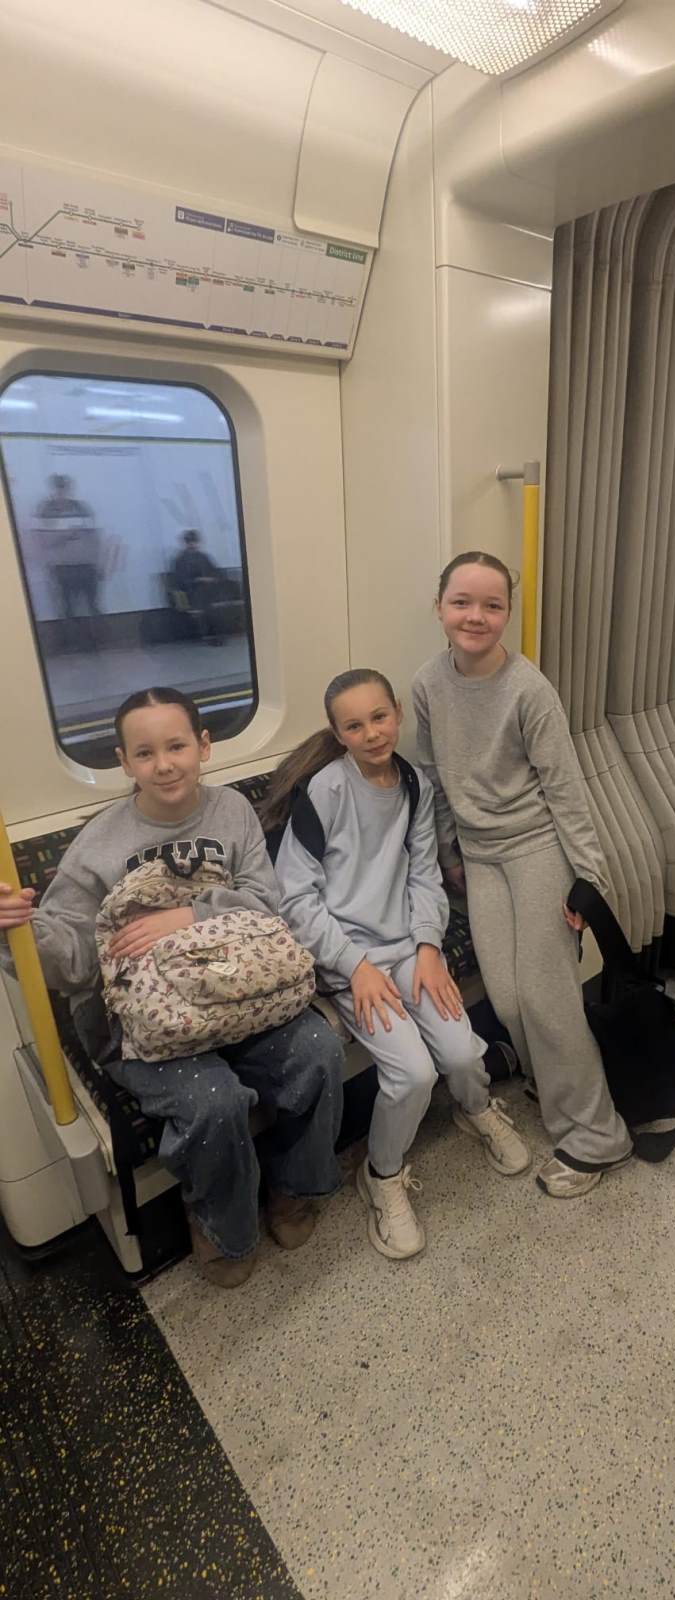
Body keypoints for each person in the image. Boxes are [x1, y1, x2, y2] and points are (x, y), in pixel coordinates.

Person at [0, 687, 343, 1288]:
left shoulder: (231, 811)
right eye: (145, 753)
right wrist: (19, 934)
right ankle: (223, 1226)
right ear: (124, 762)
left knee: (318, 1051)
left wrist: (189, 915)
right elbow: (73, 958)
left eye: (177, 746)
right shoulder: (100, 843)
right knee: (213, 1101)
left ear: (203, 747)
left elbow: (265, 902)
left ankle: (293, 1187)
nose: (164, 764)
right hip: (142, 1018)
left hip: (236, 991)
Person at [267, 669, 530, 1261]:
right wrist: (354, 965)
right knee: (412, 1073)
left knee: (462, 1052)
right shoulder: (324, 793)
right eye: (354, 725)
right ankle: (381, 1174)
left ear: (397, 714)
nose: (371, 733)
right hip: (349, 960)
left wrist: (429, 947)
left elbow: (423, 874)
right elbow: (296, 899)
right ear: (338, 733)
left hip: (409, 947)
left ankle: (476, 1109)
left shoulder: (413, 784)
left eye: (379, 717)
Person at [412, 551, 634, 1200]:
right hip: (479, 856)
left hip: (539, 848)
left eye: (492, 605)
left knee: (547, 998)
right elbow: (434, 778)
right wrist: (449, 856)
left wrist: (588, 878)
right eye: (462, 602)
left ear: (508, 613)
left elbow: (566, 789)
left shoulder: (529, 689)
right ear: (439, 607)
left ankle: (597, 1137)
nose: (475, 616)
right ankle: (553, 1083)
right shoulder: (427, 684)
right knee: (507, 1001)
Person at [33, 473, 103, 646]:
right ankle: (72, 643)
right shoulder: (46, 511)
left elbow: (94, 537)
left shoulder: (82, 508)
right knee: (66, 608)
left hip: (86, 565)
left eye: (65, 488)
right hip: (62, 567)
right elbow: (42, 541)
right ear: (53, 490)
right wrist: (66, 535)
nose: (62, 493)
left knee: (93, 605)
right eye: (59, 489)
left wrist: (98, 562)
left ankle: (97, 642)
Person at [171, 529, 225, 645]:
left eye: (194, 542)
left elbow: (216, 572)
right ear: (186, 543)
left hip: (207, 590)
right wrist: (198, 580)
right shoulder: (181, 559)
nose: (193, 544)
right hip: (191, 591)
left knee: (211, 600)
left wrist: (212, 579)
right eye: (190, 542)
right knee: (204, 601)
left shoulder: (203, 557)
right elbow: (180, 580)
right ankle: (211, 635)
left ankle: (214, 634)